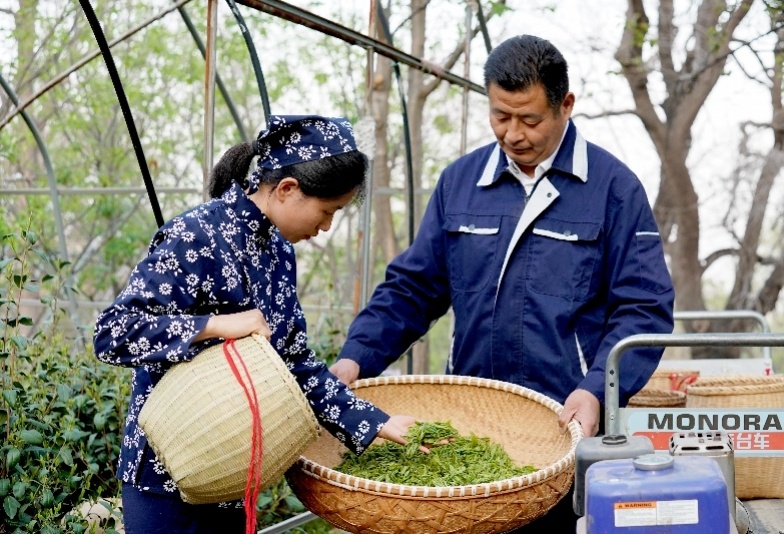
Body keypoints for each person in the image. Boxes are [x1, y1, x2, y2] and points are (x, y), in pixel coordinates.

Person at [330, 36, 675, 531]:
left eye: (529, 119)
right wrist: (354, 358)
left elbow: (644, 307)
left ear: (566, 106)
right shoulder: (462, 182)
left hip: (564, 427)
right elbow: (412, 288)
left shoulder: (612, 188)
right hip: (473, 424)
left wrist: (597, 390)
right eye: (500, 116)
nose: (513, 133)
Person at [93, 115, 427, 534]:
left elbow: (294, 363)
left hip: (231, 469)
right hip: (165, 475)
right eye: (327, 211)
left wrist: (376, 422)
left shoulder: (279, 252)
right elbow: (113, 333)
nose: (326, 227)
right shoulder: (195, 235)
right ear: (287, 190)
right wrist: (216, 326)